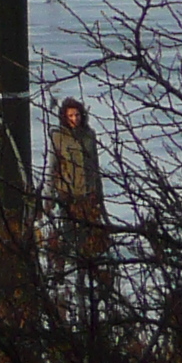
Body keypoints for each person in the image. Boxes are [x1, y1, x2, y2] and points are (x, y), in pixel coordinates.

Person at [46, 98, 104, 257]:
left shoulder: (89, 135)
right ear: (64, 117)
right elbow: (53, 168)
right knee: (68, 233)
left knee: (89, 235)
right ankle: (66, 265)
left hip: (88, 193)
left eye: (77, 115)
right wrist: (48, 196)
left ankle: (85, 266)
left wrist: (99, 195)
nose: (74, 119)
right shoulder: (58, 137)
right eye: (70, 116)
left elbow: (95, 167)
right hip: (68, 194)